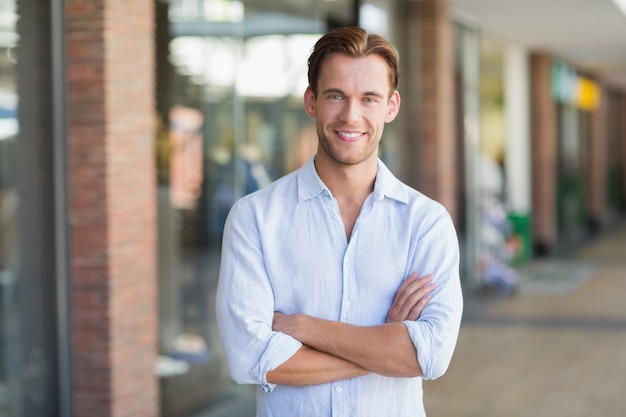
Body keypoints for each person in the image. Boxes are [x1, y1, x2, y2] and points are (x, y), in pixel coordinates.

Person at [216, 26, 463, 416]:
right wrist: (384, 346)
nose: (351, 115)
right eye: (336, 96)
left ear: (391, 106)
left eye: (369, 98)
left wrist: (307, 328)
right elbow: (250, 359)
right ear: (311, 101)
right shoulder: (255, 218)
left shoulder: (426, 223)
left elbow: (430, 355)